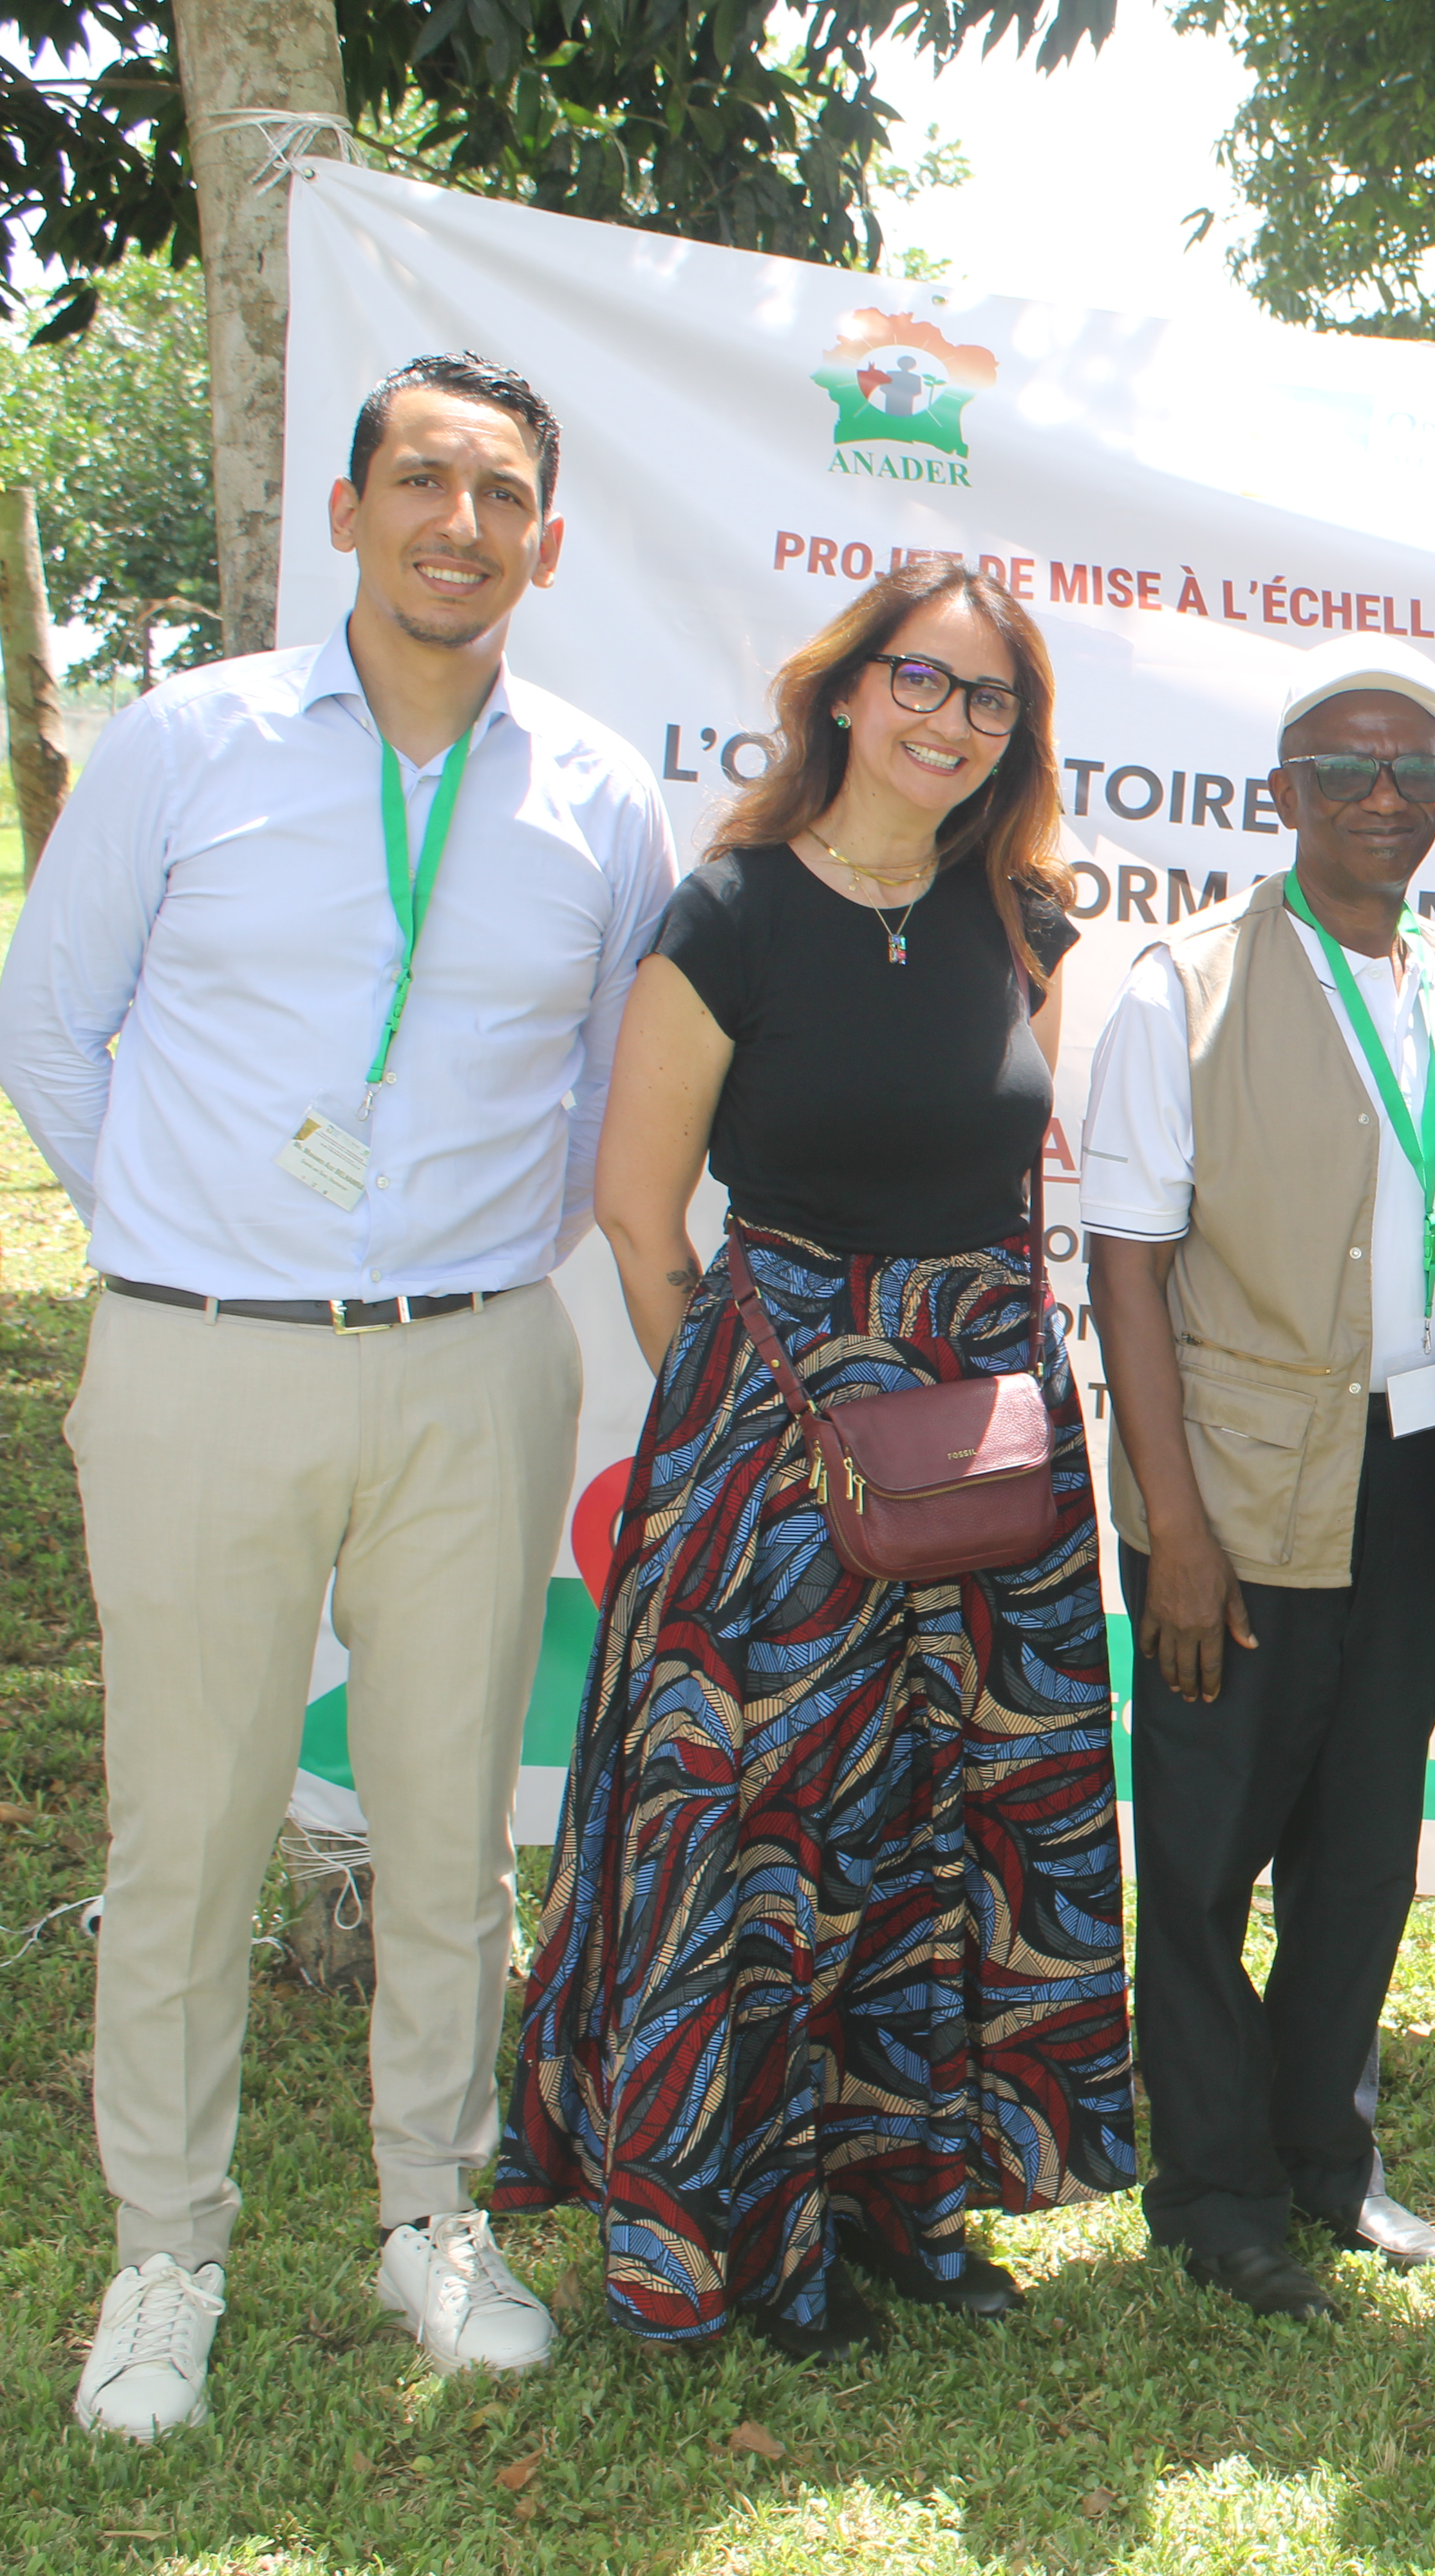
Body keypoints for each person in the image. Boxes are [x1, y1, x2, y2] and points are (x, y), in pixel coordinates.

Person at [0, 354, 671, 2440]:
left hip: (475, 1367)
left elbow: (604, 1096)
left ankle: (431, 2218)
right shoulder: (189, 747)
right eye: (419, 482)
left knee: (458, 1830)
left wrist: (448, 1265)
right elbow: (52, 1029)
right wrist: (200, 1245)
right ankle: (164, 2257)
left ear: (546, 544)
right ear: (349, 513)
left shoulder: (595, 795)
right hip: (200, 1357)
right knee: (188, 1833)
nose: (456, 524)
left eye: (497, 496)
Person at [492, 560, 1130, 2358]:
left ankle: (914, 2206)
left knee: (943, 1817)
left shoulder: (1029, 925)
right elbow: (638, 1217)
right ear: (847, 692)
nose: (950, 721)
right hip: (775, 1437)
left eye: (990, 698)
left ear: (1020, 732)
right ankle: (735, 2235)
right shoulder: (733, 911)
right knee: (761, 1832)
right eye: (921, 681)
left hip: (984, 1431)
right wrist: (757, 1423)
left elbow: (1005, 1189)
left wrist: (969, 1396)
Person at [1083, 638, 1435, 2321]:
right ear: (1282, 795)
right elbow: (1125, 1271)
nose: (1383, 800)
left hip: (1417, 1478)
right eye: (1345, 772)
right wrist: (1176, 1529)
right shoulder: (1185, 988)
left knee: (1364, 1845)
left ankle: (1331, 2158)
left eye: (1414, 775)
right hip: (1235, 1492)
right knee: (1203, 1853)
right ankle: (1216, 2189)